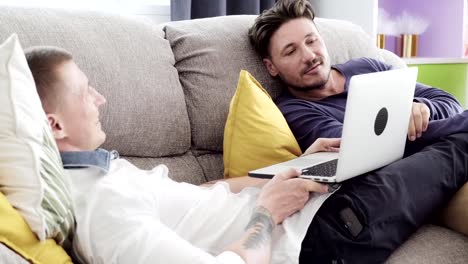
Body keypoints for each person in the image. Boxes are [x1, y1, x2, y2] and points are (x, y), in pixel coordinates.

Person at [248, 0, 468, 262]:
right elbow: (367, 152)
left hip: (437, 171)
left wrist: (421, 108)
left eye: (311, 41)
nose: (308, 55)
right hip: (396, 185)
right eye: (290, 51)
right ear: (272, 67)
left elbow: (449, 102)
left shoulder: (368, 67)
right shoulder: (294, 110)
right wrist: (416, 122)